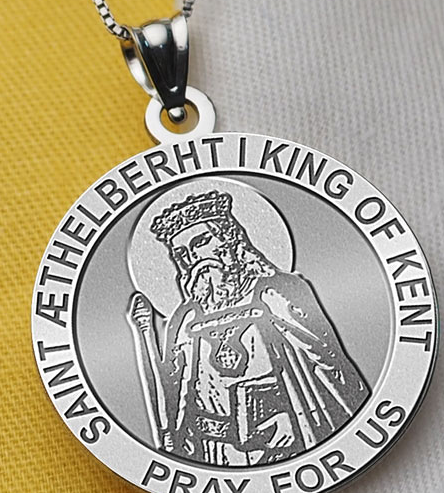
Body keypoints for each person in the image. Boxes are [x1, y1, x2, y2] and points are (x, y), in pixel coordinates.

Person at [127, 189, 368, 465]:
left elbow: (327, 367)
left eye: (201, 242)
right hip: (213, 453)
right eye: (181, 254)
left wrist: (293, 416)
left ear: (229, 239)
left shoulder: (275, 292)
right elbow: (174, 395)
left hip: (281, 446)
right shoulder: (186, 318)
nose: (193, 258)